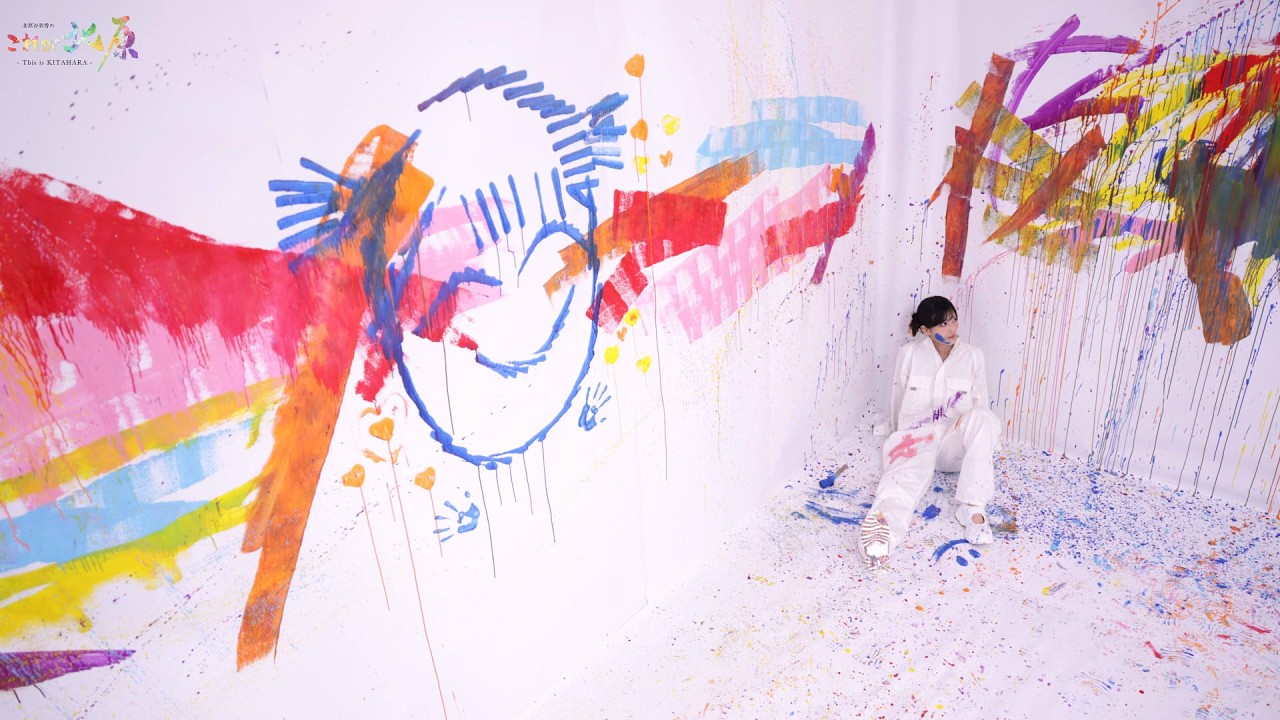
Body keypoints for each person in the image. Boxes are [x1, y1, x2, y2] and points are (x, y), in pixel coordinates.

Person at [859, 296, 1001, 571]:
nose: (952, 328)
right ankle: (880, 538)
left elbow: (980, 403)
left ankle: (973, 507)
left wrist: (983, 441)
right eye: (942, 324)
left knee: (984, 417)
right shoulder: (910, 354)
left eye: (954, 320)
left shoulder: (973, 356)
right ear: (925, 329)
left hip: (952, 445)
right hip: (916, 439)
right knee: (898, 487)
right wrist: (894, 430)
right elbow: (898, 395)